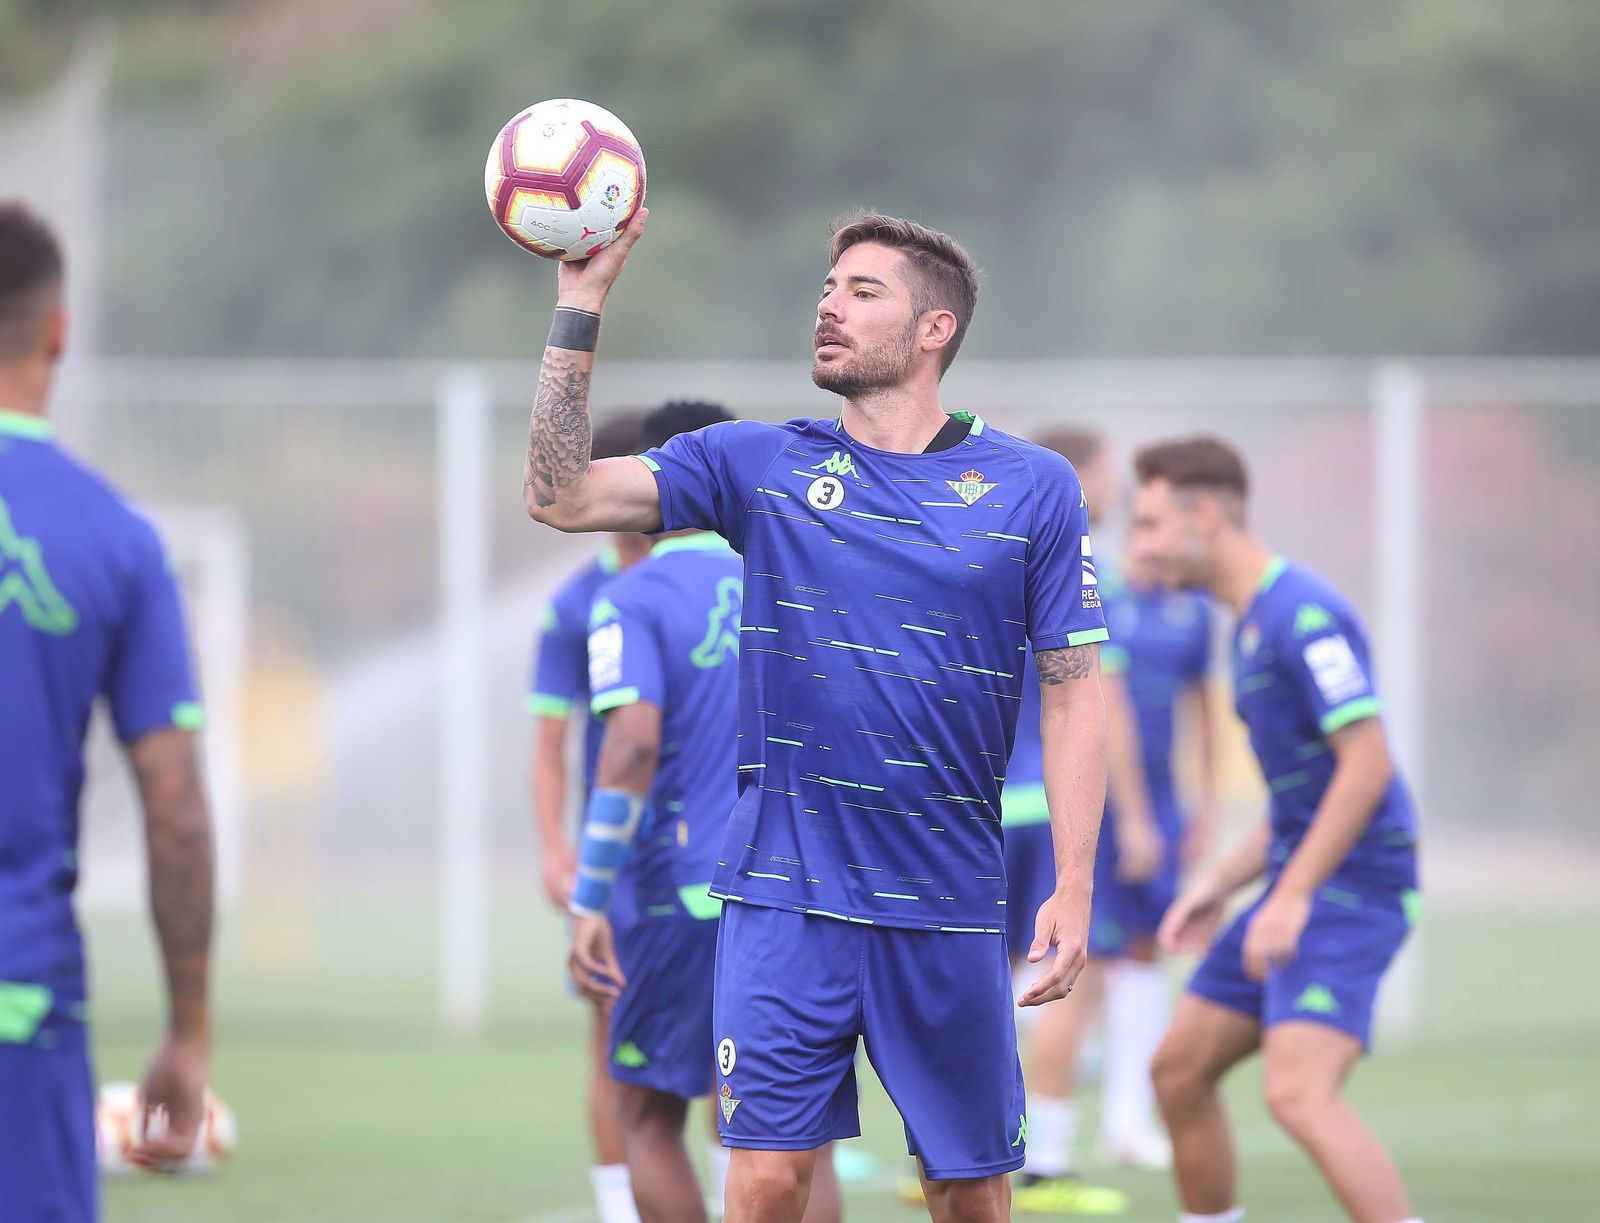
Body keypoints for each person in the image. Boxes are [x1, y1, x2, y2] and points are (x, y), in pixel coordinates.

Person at [520, 206, 1110, 1223]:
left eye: (862, 291)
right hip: (781, 894)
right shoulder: (756, 463)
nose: (829, 306)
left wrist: (1072, 882)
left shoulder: (1034, 489)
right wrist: (581, 305)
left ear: (935, 330)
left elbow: (1073, 692)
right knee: (762, 1180)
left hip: (948, 902)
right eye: (826, 289)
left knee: (966, 1189)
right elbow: (561, 495)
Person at [1130, 437, 1422, 1223]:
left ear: (1204, 516)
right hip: (1302, 880)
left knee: (1297, 1094)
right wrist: (1218, 884)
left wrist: (1289, 896)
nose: (1141, 545)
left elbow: (1367, 763)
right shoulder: (1250, 624)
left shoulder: (1304, 613)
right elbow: (1302, 800)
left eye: (1151, 523)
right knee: (1177, 1071)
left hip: (1353, 890)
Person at [566, 400, 842, 1223]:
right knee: (795, 1133)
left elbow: (631, 746)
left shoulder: (632, 595)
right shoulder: (794, 583)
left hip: (684, 896)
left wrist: (589, 892)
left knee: (648, 1113)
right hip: (800, 891)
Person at [0, 201, 216, 1219]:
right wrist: (188, 1026)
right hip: (19, 992)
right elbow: (172, 808)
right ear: (58, 330)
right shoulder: (114, 538)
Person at [526, 411, 652, 1223]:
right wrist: (554, 849)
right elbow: (549, 740)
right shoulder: (575, 604)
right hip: (621, 860)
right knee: (612, 1034)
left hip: (712, 847)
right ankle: (619, 1207)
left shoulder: (723, 580)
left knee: (732, 1040)